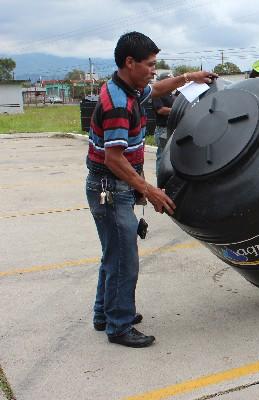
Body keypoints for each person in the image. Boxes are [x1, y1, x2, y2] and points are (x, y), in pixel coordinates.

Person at [86, 31, 217, 348]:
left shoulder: (128, 89)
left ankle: (105, 313)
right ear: (129, 63)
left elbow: (156, 89)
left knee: (114, 252)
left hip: (111, 185)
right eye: (149, 65)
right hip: (110, 185)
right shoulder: (118, 103)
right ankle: (119, 325)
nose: (153, 71)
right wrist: (150, 190)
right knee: (124, 259)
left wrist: (188, 77)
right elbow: (113, 158)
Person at [152, 71, 175, 175]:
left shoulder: (172, 94)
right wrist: (176, 110)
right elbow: (160, 110)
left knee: (171, 156)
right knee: (162, 156)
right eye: (170, 80)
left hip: (171, 128)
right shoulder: (157, 94)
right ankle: (160, 182)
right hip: (162, 129)